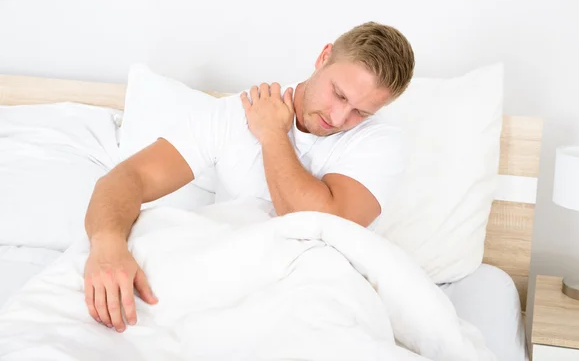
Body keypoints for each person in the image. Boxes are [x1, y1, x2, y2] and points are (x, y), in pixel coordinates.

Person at [83, 21, 415, 333]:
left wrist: (272, 134)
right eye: (339, 95)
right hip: (224, 282)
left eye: (361, 112)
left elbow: (321, 223)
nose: (340, 117)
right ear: (323, 57)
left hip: (312, 299)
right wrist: (107, 245)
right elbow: (128, 177)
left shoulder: (380, 143)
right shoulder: (234, 114)